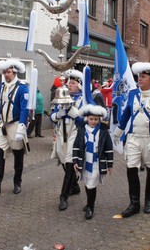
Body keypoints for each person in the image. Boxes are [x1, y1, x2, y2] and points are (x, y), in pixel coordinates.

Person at [113, 62, 150, 217]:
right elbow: (126, 114)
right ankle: (134, 203)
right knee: (131, 168)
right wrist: (118, 132)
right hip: (133, 138)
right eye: (139, 76)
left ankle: (149, 201)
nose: (139, 79)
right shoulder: (133, 94)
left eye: (143, 77)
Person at [0, 59, 29, 196]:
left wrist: (22, 126)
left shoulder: (22, 87)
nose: (6, 75)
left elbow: (24, 109)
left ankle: (17, 182)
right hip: (2, 125)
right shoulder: (2, 86)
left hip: (15, 125)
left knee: (18, 156)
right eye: (4, 72)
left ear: (14, 72)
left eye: (9, 72)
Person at [50, 70, 84, 211]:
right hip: (61, 134)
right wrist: (59, 114)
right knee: (65, 163)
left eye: (73, 83)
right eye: (69, 82)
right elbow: (52, 116)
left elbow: (85, 121)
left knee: (70, 164)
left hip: (74, 134)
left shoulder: (84, 99)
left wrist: (72, 112)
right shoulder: (62, 96)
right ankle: (74, 186)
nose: (70, 85)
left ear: (79, 85)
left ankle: (63, 197)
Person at [73, 104, 113, 219]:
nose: (93, 121)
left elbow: (108, 148)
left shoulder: (104, 131)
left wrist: (109, 164)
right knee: (87, 182)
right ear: (87, 119)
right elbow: (76, 146)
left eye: (96, 119)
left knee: (91, 184)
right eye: (91, 119)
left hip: (96, 162)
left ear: (100, 119)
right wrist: (75, 160)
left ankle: (91, 207)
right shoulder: (81, 130)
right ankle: (89, 202)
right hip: (85, 162)